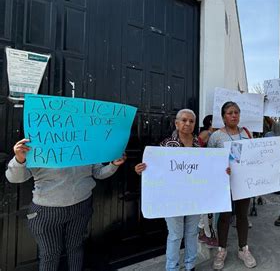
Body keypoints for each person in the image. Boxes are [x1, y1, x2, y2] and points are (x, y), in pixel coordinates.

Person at [5, 139, 126, 271]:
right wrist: (19, 159)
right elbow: (15, 178)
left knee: (76, 247)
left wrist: (114, 164)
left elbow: (98, 172)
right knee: (50, 255)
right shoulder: (38, 145)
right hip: (46, 212)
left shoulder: (86, 144)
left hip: (81, 207)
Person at [135, 109, 206, 271]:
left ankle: (190, 265)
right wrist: (143, 170)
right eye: (184, 120)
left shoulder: (199, 144)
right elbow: (156, 169)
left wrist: (223, 172)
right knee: (175, 235)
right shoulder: (166, 144)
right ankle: (172, 267)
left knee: (192, 233)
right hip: (172, 198)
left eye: (191, 121)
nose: (187, 123)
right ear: (176, 123)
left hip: (194, 196)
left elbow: (207, 168)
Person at [207, 101, 257, 270]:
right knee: (225, 217)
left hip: (243, 183)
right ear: (223, 117)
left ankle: (244, 249)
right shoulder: (216, 136)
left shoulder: (246, 133)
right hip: (224, 184)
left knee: (242, 216)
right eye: (230, 113)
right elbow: (209, 160)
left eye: (236, 112)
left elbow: (254, 156)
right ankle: (222, 250)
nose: (234, 115)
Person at [197, 115, 219, 248]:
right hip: (206, 173)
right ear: (211, 122)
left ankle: (203, 232)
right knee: (207, 206)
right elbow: (197, 149)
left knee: (207, 205)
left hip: (209, 172)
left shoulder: (213, 133)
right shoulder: (207, 133)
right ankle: (206, 234)